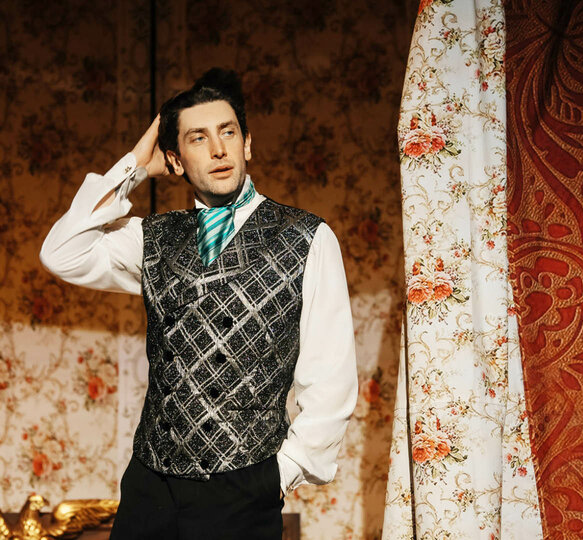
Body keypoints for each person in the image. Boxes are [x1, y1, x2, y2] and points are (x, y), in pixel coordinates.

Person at [39, 68, 357, 539]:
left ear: (247, 144)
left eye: (228, 133)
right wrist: (135, 166)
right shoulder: (153, 237)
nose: (218, 149)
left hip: (243, 488)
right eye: (198, 138)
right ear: (175, 159)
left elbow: (331, 375)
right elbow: (61, 252)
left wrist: (282, 473)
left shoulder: (307, 237)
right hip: (151, 488)